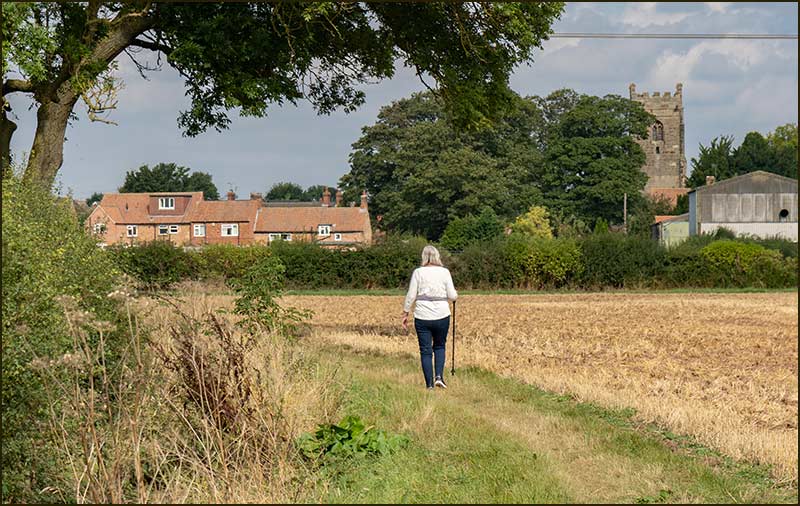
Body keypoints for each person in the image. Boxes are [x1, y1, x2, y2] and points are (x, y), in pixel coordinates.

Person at [402, 245, 458, 390]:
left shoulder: (418, 272)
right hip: (442, 314)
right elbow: (452, 296)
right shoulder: (445, 272)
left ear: (424, 257)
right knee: (439, 346)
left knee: (425, 351)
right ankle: (439, 376)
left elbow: (411, 295)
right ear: (437, 256)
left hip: (422, 315)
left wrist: (406, 311)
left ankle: (429, 386)